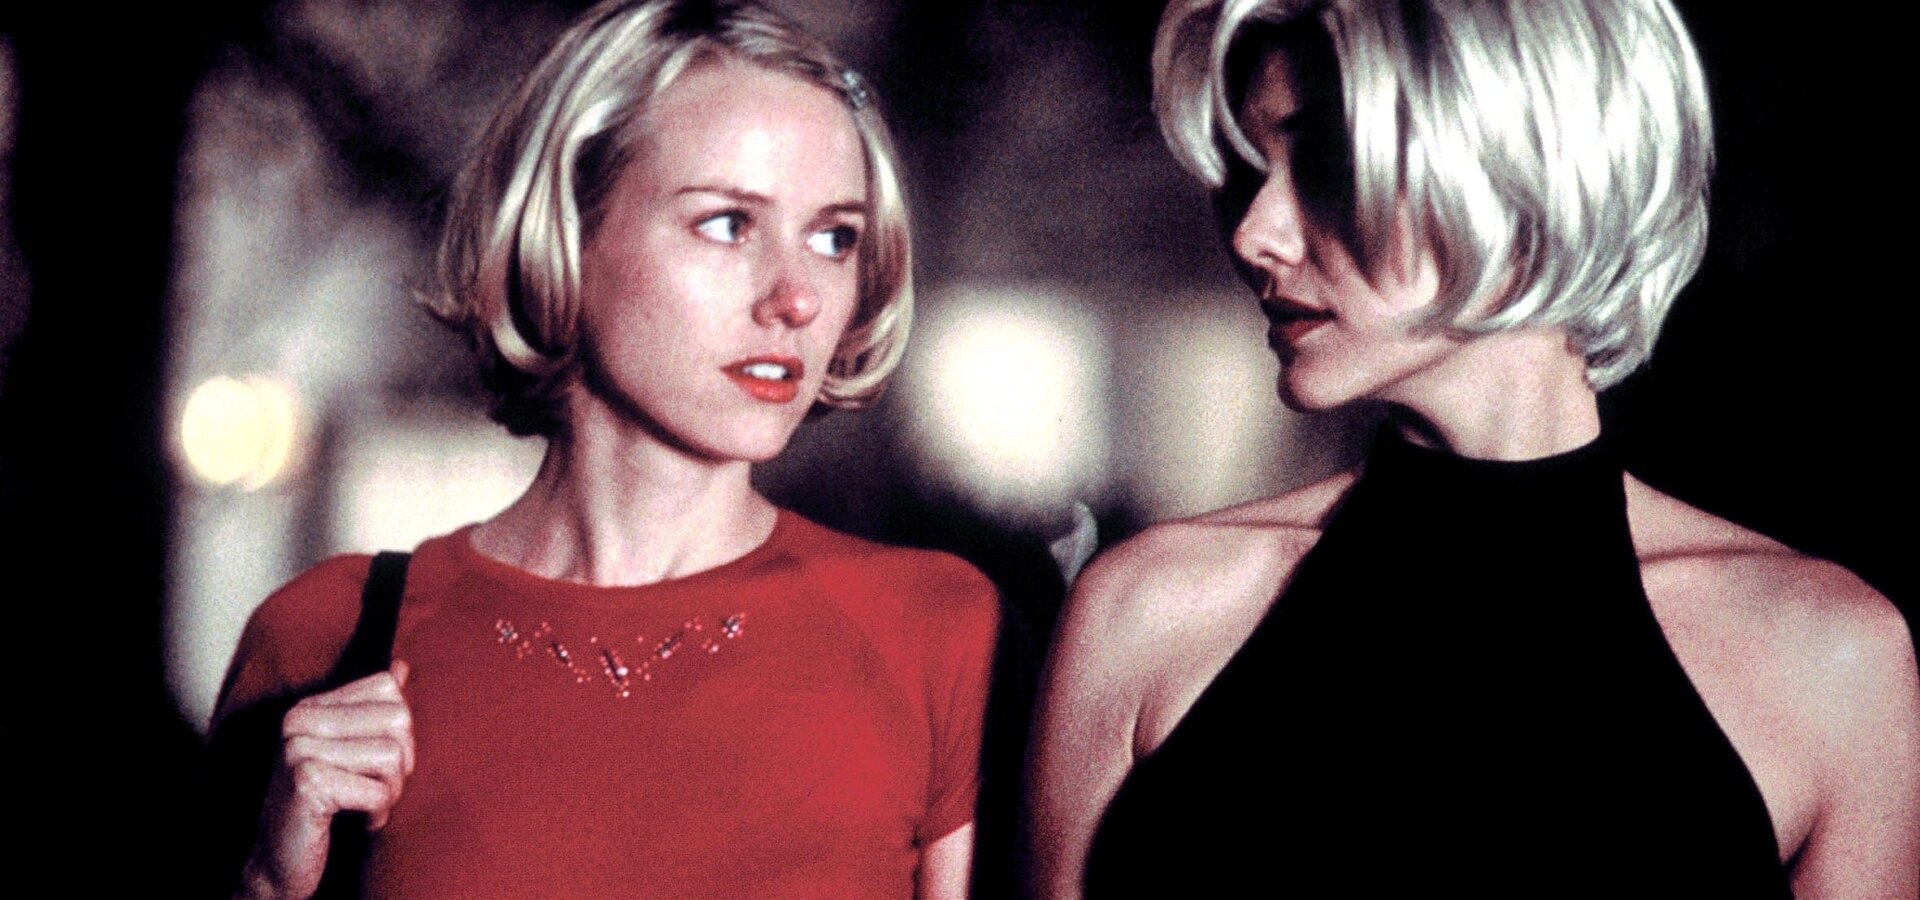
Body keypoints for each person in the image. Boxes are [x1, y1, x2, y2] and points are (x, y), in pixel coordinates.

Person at [1029, 0, 1919, 896]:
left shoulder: (1829, 652)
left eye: (1331, 160)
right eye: (1250, 170)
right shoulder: (1146, 613)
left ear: (1527, 167)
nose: (1255, 233)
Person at [206, 1, 998, 897]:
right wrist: (268, 883)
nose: (799, 297)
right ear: (567, 230)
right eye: (728, 224)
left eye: (833, 238)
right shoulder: (325, 640)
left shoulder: (934, 632)